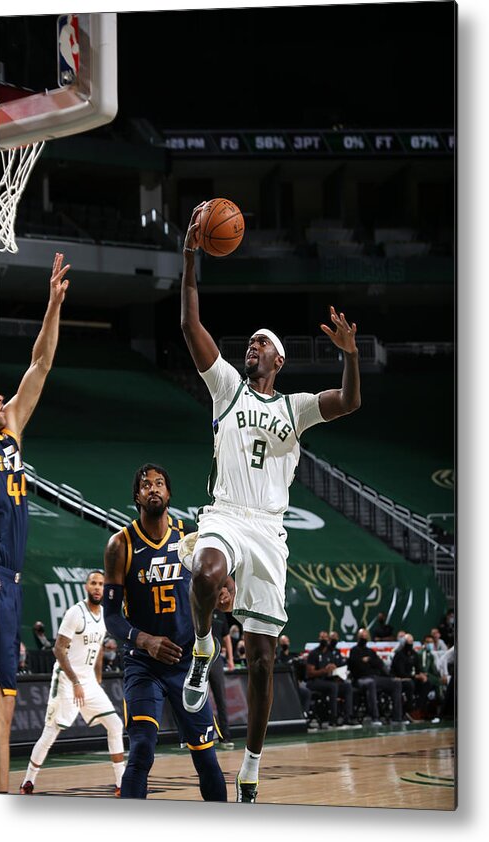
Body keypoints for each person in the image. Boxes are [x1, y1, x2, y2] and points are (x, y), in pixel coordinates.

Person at [178, 201, 361, 803]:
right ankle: (204, 640)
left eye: (261, 343)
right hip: (226, 512)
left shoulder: (294, 407)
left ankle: (252, 763)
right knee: (205, 570)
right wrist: (189, 260)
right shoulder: (226, 388)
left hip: (271, 531)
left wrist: (351, 356)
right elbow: (190, 329)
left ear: (278, 360)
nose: (251, 346)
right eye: (250, 342)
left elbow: (349, 403)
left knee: (260, 660)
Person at [103, 463, 227, 801]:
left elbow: (221, 584)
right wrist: (145, 640)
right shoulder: (121, 544)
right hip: (143, 664)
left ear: (169, 493)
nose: (153, 488)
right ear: (137, 496)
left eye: (160, 483)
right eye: (146, 484)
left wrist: (227, 593)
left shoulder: (191, 538)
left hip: (189, 665)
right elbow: (111, 617)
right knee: (142, 749)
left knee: (206, 758)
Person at [0, 252, 70, 794]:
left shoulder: (11, 432)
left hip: (8, 587)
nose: (3, 398)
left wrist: (52, 306)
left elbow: (40, 364)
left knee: (2, 708)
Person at [19, 571, 125, 796]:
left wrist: (97, 679)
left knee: (115, 725)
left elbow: (97, 650)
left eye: (101, 584)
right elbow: (58, 649)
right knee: (51, 732)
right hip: (67, 679)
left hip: (88, 681)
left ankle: (121, 783)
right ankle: (28, 780)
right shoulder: (75, 613)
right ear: (87, 587)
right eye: (93, 583)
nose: (97, 587)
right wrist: (76, 681)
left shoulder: (106, 615)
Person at [347, 628, 403, 724]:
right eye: (362, 636)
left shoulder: (371, 652)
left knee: (396, 683)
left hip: (375, 677)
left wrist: (368, 660)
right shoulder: (354, 651)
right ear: (358, 637)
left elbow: (379, 664)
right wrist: (370, 663)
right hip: (360, 679)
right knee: (371, 683)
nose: (364, 638)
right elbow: (357, 667)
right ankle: (375, 718)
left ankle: (397, 718)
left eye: (365, 636)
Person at [305, 632, 359, 727]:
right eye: (322, 638)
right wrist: (325, 671)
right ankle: (333, 719)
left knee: (347, 686)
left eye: (326, 638)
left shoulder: (330, 653)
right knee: (333, 686)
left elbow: (333, 669)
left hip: (327, 680)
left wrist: (336, 672)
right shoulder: (314, 653)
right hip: (314, 682)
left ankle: (348, 717)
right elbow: (310, 673)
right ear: (319, 639)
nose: (324, 640)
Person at [210, 607, 235, 749]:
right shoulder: (199, 607)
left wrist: (230, 659)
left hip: (216, 659)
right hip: (199, 657)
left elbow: (227, 637)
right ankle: (201, 736)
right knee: (200, 699)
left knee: (221, 699)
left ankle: (225, 736)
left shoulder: (220, 614)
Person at [390, 632, 417, 718]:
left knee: (426, 683)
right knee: (409, 684)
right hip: (399, 679)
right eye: (408, 642)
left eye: (411, 642)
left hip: (411, 678)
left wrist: (422, 675)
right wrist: (414, 677)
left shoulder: (414, 654)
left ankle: (419, 710)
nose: (410, 644)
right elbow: (400, 673)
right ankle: (408, 710)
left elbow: (418, 667)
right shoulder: (399, 655)